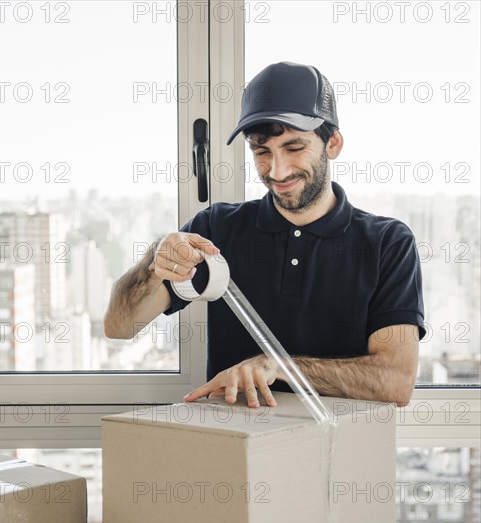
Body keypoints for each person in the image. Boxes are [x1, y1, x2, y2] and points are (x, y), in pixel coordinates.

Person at [104, 61, 426, 409]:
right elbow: (119, 326)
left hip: (337, 452)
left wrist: (279, 367)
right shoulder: (217, 228)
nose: (277, 170)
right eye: (261, 151)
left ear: (332, 143)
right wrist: (154, 264)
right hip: (234, 449)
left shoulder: (387, 244)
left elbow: (395, 382)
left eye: (294, 147)